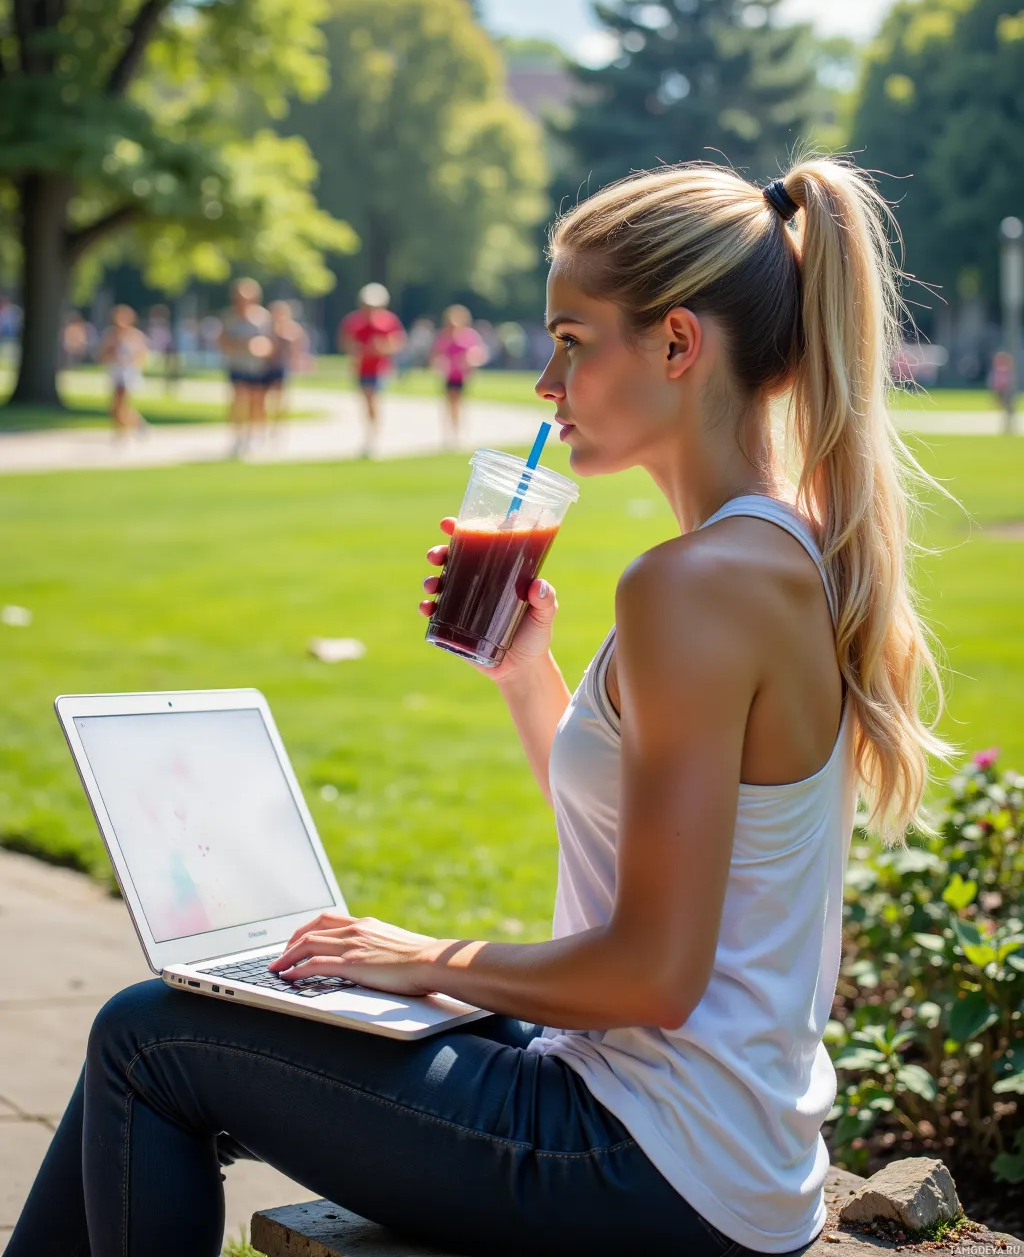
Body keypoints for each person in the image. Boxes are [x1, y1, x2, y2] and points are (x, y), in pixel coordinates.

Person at [9, 158, 952, 1257]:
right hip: (701, 1141)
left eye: (570, 340)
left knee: (145, 1036)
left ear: (677, 344)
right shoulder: (780, 548)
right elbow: (660, 856)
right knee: (248, 1003)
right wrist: (527, 678)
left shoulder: (691, 585)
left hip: (647, 1161)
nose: (548, 385)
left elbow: (653, 970)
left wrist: (424, 956)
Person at [337, 282, 406, 458]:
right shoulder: (354, 321)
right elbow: (345, 343)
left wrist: (380, 348)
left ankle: (372, 438)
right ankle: (370, 435)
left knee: (373, 401)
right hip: (361, 368)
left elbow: (397, 343)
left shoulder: (388, 321)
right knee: (366, 403)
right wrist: (357, 350)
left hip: (379, 369)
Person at [218, 277, 273, 457]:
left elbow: (271, 344)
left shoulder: (262, 317)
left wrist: (260, 347)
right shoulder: (230, 317)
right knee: (239, 399)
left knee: (256, 402)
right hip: (237, 364)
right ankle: (237, 437)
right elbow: (223, 342)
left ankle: (254, 434)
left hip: (256, 366)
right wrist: (242, 345)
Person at [430, 303, 488, 447]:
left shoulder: (468, 336)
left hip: (462, 375)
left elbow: (478, 354)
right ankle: (450, 431)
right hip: (449, 374)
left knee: (459, 403)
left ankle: (458, 431)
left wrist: (468, 360)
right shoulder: (444, 336)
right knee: (449, 403)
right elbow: (436, 354)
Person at [97, 304, 148, 435]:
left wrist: (129, 360)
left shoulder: (135, 336)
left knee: (121, 403)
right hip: (115, 371)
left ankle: (121, 430)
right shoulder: (110, 335)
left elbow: (141, 356)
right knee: (115, 406)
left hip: (128, 373)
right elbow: (102, 355)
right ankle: (136, 424)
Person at [265, 298, 310, 428]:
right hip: (267, 366)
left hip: (282, 366)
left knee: (280, 397)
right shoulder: (268, 328)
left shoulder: (292, 329)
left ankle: (279, 425)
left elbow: (298, 348)